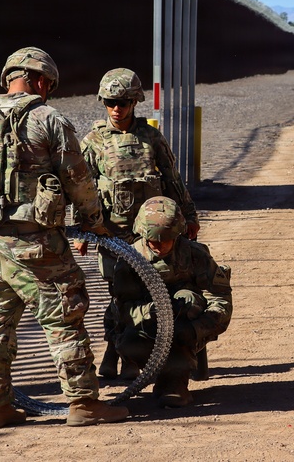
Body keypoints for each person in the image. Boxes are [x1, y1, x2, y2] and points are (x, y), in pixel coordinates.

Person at [0, 47, 127, 430]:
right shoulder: (48, 118)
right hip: (36, 246)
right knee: (64, 317)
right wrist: (94, 221)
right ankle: (83, 402)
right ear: (41, 81)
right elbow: (78, 180)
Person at [80, 68, 200, 380]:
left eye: (123, 102)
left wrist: (188, 217)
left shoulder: (151, 138)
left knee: (154, 290)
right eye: (110, 102)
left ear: (135, 101)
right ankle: (113, 349)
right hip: (112, 234)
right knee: (118, 293)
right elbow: (83, 189)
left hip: (152, 235)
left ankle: (134, 352)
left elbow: (173, 180)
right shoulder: (93, 141)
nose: (116, 108)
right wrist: (83, 228)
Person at [111, 197, 231, 408]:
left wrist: (195, 328)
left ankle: (175, 382)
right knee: (129, 343)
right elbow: (122, 308)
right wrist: (152, 312)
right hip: (146, 328)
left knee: (187, 298)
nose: (158, 246)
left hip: (187, 324)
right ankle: (157, 373)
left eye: (165, 240)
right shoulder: (130, 260)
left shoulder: (195, 255)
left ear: (177, 234)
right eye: (152, 241)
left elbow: (220, 298)